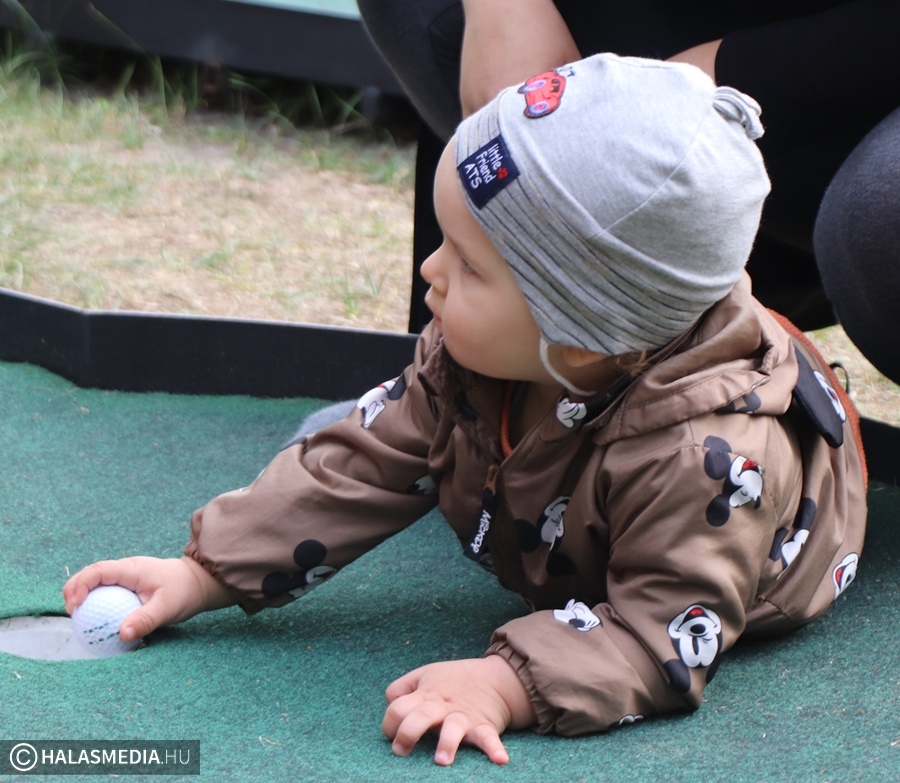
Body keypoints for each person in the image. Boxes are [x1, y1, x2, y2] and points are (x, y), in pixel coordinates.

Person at [64, 55, 868, 766]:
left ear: (577, 336)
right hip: (582, 446)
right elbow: (362, 463)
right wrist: (204, 571)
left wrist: (505, 682)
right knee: (421, 438)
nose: (430, 269)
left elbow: (658, 635)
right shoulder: (480, 357)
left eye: (469, 265)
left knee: (641, 534)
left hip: (755, 553)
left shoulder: (705, 459)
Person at [358, 0, 900, 385]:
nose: (428, 269)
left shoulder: (680, 473)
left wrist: (679, 94)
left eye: (465, 264)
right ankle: (490, 368)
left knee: (882, 210)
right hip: (655, 37)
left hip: (855, 86)